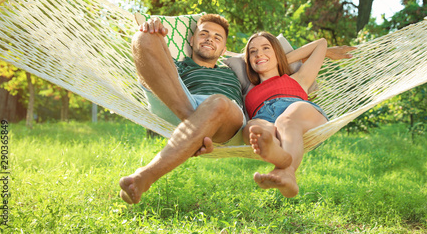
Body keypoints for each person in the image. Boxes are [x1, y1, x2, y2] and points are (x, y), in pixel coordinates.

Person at [119, 14, 246, 204]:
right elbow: (148, 51)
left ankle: (147, 175)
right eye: (204, 34)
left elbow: (275, 58)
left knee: (218, 102)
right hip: (180, 101)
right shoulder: (176, 66)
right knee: (142, 36)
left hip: (226, 117)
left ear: (224, 51)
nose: (210, 38)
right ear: (192, 40)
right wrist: (152, 29)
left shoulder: (235, 70)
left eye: (217, 37)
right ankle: (195, 128)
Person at [241, 31, 355, 198]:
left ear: (277, 54)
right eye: (253, 51)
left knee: (285, 120)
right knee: (253, 128)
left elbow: (321, 43)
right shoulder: (246, 93)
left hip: (297, 111)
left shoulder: (299, 78)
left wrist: (280, 60)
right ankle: (274, 151)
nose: (259, 54)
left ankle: (287, 172)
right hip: (264, 118)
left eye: (266, 48)